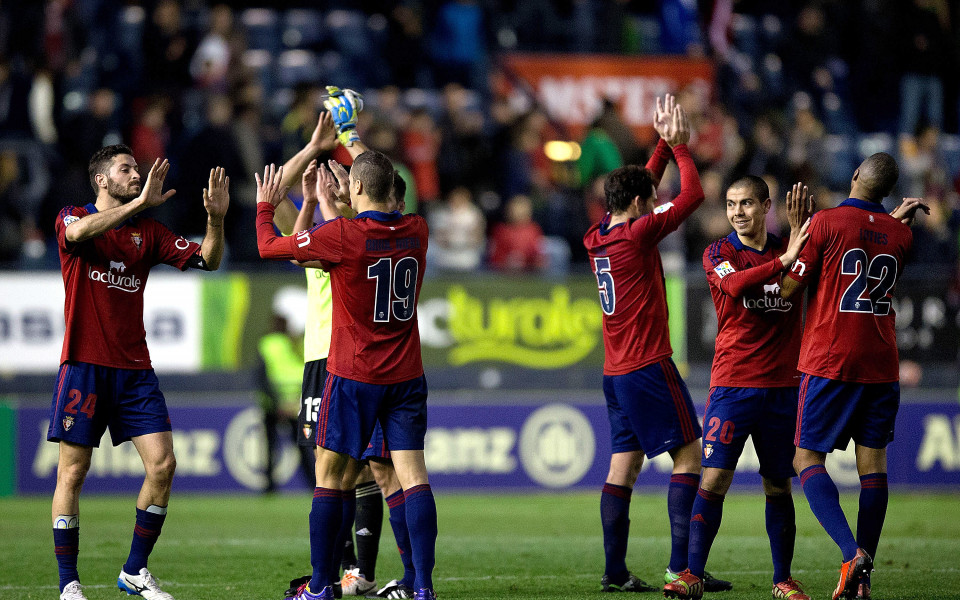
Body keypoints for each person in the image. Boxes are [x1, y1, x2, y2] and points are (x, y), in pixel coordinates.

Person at [48, 145, 229, 600]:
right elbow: (79, 234)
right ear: (102, 181)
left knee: (164, 464)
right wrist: (137, 204)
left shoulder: (147, 231)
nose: (137, 173)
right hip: (84, 365)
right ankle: (69, 581)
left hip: (134, 370)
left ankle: (134, 570)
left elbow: (208, 260)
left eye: (136, 167)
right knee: (73, 473)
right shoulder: (73, 216)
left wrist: (216, 220)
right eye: (126, 169)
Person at [256, 144, 436, 600]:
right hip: (406, 376)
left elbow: (268, 245)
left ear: (354, 186)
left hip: (354, 375)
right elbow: (380, 189)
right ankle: (423, 587)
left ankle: (321, 586)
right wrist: (354, 150)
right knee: (412, 476)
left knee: (330, 477)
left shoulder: (343, 236)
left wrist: (264, 205)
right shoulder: (417, 229)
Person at [582, 95, 730, 594]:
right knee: (690, 457)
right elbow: (689, 197)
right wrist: (683, 149)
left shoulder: (599, 236)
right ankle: (679, 568)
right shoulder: (639, 236)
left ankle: (615, 572)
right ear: (641, 204)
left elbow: (641, 190)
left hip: (615, 372)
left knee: (623, 464)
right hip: (648, 365)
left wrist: (662, 144)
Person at [779, 153, 926, 600]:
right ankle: (863, 583)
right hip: (881, 363)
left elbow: (788, 288)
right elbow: (878, 242)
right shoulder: (902, 235)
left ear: (856, 174)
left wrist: (795, 235)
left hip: (830, 359)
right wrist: (890, 222)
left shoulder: (824, 222)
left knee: (806, 460)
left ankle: (850, 554)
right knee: (873, 468)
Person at [662, 178, 813, 600]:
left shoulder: (794, 249)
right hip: (732, 386)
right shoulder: (719, 253)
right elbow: (734, 286)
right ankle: (692, 574)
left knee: (778, 485)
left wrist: (884, 218)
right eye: (731, 205)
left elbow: (829, 256)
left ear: (767, 206)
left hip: (783, 387)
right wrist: (785, 258)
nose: (737, 212)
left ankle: (782, 579)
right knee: (714, 480)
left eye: (746, 203)